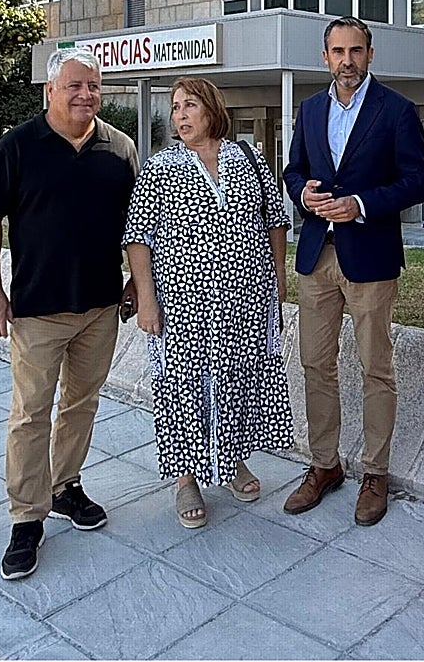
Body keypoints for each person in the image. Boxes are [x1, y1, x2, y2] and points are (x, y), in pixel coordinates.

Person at [0, 47, 139, 582]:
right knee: (29, 413)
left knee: (81, 403)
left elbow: (142, 223)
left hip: (100, 305)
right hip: (38, 309)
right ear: (50, 90)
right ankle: (26, 517)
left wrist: (138, 281)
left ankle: (65, 485)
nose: (86, 94)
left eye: (93, 85)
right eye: (74, 85)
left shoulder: (121, 149)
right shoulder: (16, 147)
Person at [282, 16, 424, 526]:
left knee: (375, 367)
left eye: (356, 51)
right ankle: (324, 465)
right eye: (337, 52)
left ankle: (376, 472)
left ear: (371, 54)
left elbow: (419, 182)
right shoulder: (308, 110)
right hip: (315, 257)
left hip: (369, 257)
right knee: (313, 363)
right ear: (324, 57)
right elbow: (294, 169)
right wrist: (301, 192)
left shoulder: (397, 111)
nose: (346, 60)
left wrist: (363, 204)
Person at [123, 77, 293, 528]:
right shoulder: (160, 167)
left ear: (212, 109)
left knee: (239, 382)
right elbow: (137, 238)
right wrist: (146, 299)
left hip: (246, 301)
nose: (179, 115)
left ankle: (233, 461)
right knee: (183, 391)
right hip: (183, 304)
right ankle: (185, 481)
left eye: (189, 105)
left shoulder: (249, 159)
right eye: (175, 107)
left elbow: (275, 221)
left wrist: (276, 280)